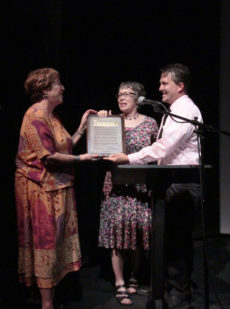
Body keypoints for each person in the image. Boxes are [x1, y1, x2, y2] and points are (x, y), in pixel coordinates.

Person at [105, 63, 202, 308]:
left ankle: (180, 295)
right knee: (171, 240)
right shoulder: (173, 110)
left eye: (164, 83)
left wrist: (128, 158)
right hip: (170, 180)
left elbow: (163, 148)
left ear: (180, 86)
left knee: (178, 242)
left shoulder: (186, 110)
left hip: (182, 182)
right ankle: (172, 290)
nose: (159, 88)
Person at [15, 67, 98, 309]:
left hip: (58, 188)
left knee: (55, 243)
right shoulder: (34, 116)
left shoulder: (53, 116)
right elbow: (49, 157)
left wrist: (82, 128)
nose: (62, 88)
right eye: (58, 84)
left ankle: (50, 298)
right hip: (39, 190)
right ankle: (46, 304)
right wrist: (83, 159)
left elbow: (65, 148)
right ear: (44, 90)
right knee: (45, 243)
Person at [98, 81, 158, 306]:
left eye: (127, 94)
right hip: (115, 185)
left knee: (137, 233)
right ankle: (119, 282)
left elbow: (157, 154)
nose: (122, 98)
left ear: (139, 98)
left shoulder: (151, 123)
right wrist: (100, 125)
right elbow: (98, 151)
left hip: (140, 186)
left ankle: (134, 275)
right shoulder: (111, 121)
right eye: (119, 94)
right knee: (116, 235)